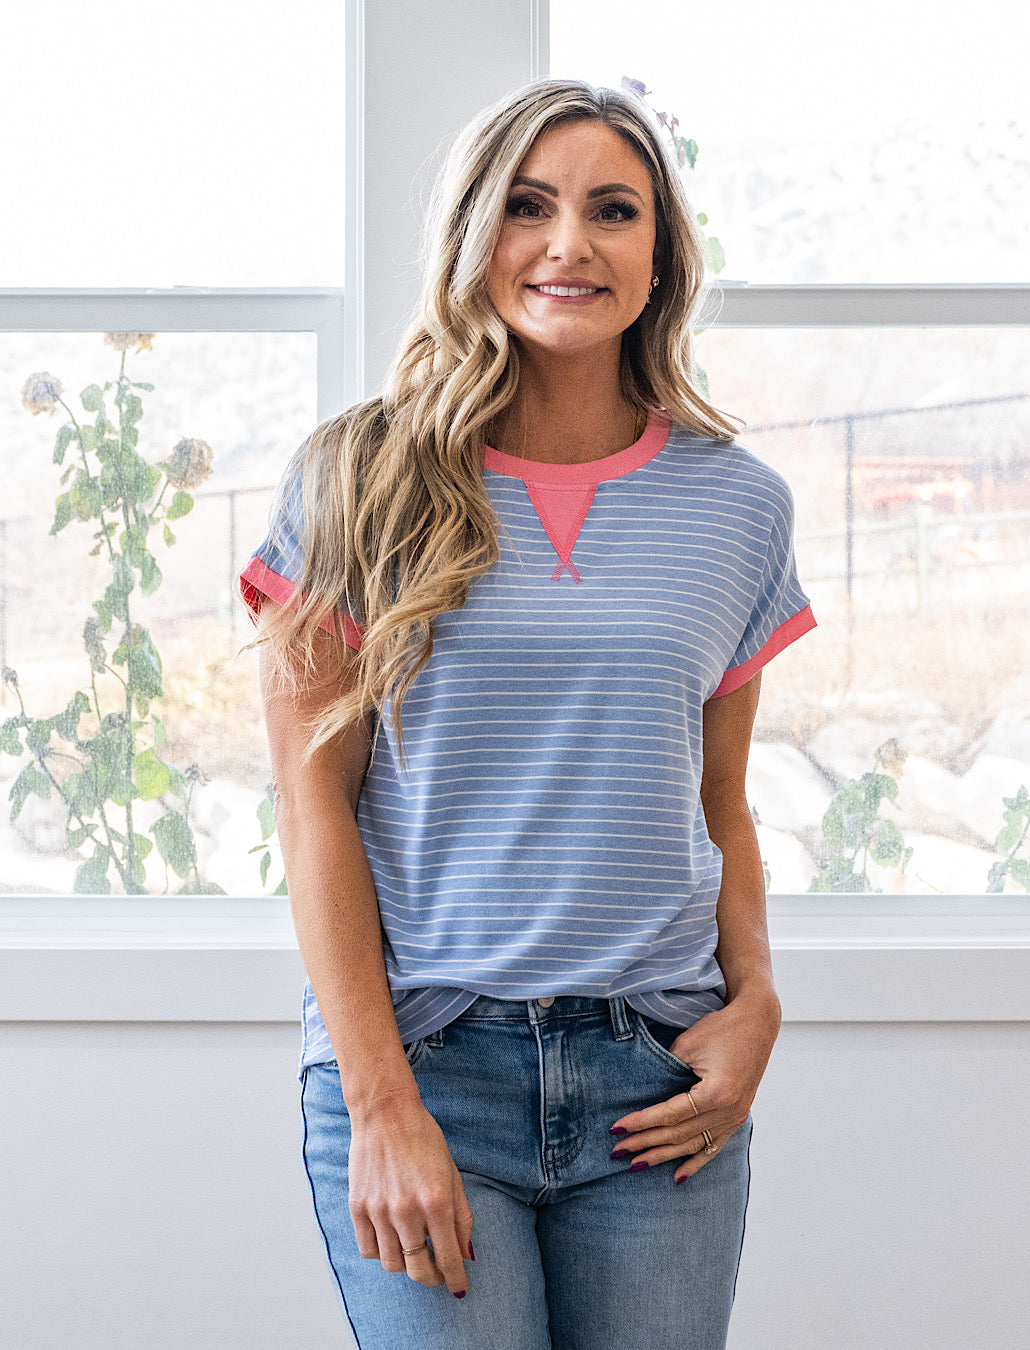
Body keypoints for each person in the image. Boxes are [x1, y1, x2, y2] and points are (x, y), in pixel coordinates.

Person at [240, 76, 815, 1350]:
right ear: (473, 235)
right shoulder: (354, 479)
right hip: (425, 1062)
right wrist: (380, 1104)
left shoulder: (739, 504)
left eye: (613, 210)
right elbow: (313, 803)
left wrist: (758, 1002)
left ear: (660, 255)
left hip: (656, 1074)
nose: (569, 244)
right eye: (527, 206)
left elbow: (720, 801)